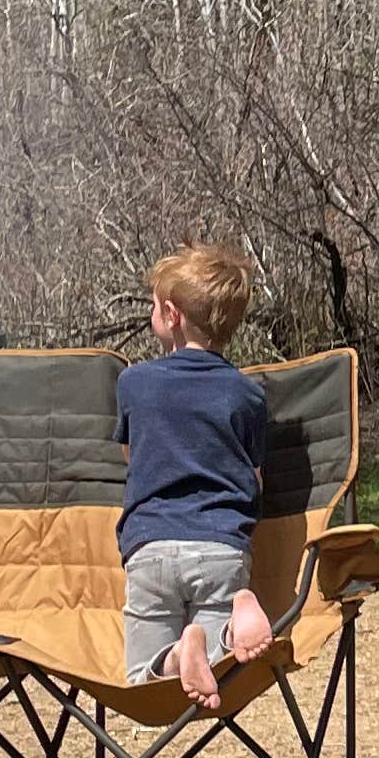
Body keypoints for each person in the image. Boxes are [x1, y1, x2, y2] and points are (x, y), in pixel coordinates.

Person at [118, 242, 273, 711]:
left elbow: (133, 459)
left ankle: (176, 656)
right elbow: (257, 479)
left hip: (152, 548)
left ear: (171, 313)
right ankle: (229, 626)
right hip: (222, 548)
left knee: (144, 674)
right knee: (224, 663)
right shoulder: (247, 395)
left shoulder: (134, 383)